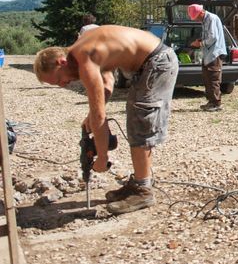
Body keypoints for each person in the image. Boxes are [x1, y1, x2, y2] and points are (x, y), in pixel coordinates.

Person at [33, 25, 178, 214]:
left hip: (157, 61)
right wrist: (92, 116)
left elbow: (100, 115)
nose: (63, 85)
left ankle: (143, 191)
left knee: (141, 120)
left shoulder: (85, 57)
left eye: (59, 79)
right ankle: (139, 183)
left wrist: (102, 157)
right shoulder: (84, 48)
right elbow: (108, 84)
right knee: (136, 116)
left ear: (61, 62)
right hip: (149, 63)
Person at [187, 4, 227, 112]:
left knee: (213, 78)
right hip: (208, 54)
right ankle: (211, 102)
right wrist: (200, 40)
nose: (196, 20)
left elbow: (213, 37)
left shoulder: (211, 19)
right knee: (207, 78)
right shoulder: (205, 20)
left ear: (201, 13)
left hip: (214, 53)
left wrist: (200, 44)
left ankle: (216, 103)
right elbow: (209, 36)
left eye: (196, 18)